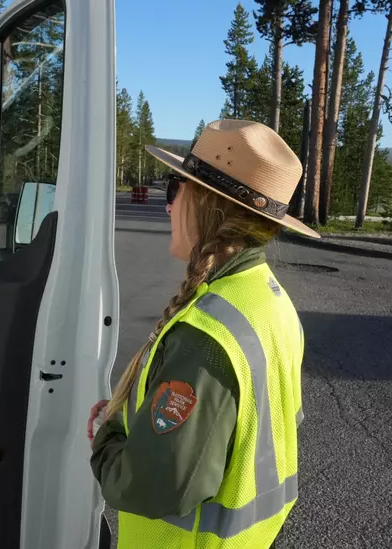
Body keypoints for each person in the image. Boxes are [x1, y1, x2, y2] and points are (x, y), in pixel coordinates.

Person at [88, 119, 318, 548]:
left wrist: (109, 436)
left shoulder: (206, 339)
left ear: (207, 202)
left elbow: (146, 485)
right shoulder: (271, 301)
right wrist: (134, 417)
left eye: (176, 188)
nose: (168, 205)